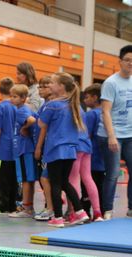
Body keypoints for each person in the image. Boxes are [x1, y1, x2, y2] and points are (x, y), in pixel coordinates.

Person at [37, 72, 90, 227]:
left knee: (55, 183)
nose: (49, 85)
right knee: (65, 182)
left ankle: (58, 218)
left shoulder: (53, 105)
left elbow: (41, 124)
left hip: (56, 149)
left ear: (60, 86)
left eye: (52, 83)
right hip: (71, 150)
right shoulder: (76, 106)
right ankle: (80, 212)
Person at [96, 45, 132, 219]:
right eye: (127, 60)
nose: (131, 63)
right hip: (113, 134)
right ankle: (107, 210)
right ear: (120, 62)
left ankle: (131, 208)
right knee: (113, 173)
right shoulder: (111, 83)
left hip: (130, 134)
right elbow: (106, 111)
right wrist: (111, 136)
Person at [8, 84, 38, 218]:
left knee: (26, 179)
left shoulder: (22, 110)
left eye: (15, 97)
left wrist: (25, 128)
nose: (11, 99)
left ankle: (27, 208)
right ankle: (28, 205)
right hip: (25, 149)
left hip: (24, 149)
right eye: (11, 96)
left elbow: (32, 120)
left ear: (23, 98)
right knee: (28, 179)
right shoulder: (23, 109)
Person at [0, 77, 17, 214]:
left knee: (4, 178)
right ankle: (12, 204)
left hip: (4, 148)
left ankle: (3, 205)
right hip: (16, 147)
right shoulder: (16, 106)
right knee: (13, 177)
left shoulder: (0, 107)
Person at [81, 83, 105, 217]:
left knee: (87, 184)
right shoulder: (105, 112)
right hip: (102, 158)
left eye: (87, 97)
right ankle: (101, 210)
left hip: (91, 155)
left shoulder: (90, 115)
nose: (85, 100)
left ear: (95, 97)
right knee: (100, 185)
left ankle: (85, 210)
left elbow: (86, 135)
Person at [34, 75, 55, 221]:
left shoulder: (51, 105)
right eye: (39, 87)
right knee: (43, 178)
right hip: (45, 146)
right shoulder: (44, 104)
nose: (40, 90)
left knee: (46, 178)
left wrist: (39, 147)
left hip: (49, 147)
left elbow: (44, 128)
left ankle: (51, 208)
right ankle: (50, 205)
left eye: (44, 86)